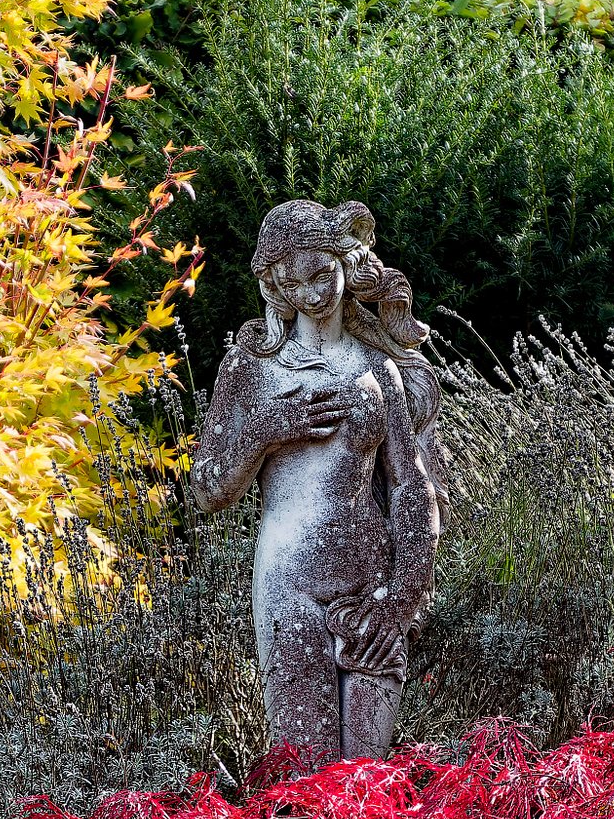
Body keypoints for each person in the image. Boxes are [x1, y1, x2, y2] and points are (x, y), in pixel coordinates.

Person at [189, 200, 443, 760]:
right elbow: (206, 490)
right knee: (308, 784)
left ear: (346, 265)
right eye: (294, 283)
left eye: (323, 274)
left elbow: (410, 486)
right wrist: (264, 430)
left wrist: (402, 599)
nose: (313, 294)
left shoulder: (379, 369)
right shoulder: (254, 369)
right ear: (276, 289)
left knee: (367, 782)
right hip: (290, 592)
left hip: (373, 592)